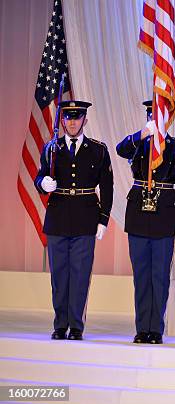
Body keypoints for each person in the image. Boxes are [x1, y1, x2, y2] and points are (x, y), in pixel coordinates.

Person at [34, 100, 113, 340]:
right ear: (63, 121)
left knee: (80, 275)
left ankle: (76, 325)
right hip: (58, 217)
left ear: (84, 121)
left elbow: (107, 187)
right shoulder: (51, 148)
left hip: (85, 218)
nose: (72, 122)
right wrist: (42, 184)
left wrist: (103, 220)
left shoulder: (98, 150)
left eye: (76, 118)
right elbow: (40, 175)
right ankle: (60, 324)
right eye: (68, 118)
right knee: (59, 275)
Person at [116, 100, 175, 345]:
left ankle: (156, 328)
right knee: (141, 275)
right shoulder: (139, 143)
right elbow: (120, 149)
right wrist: (143, 134)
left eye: (158, 114)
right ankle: (141, 328)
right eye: (151, 114)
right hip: (139, 212)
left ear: (167, 118)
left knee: (160, 275)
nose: (154, 118)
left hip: (165, 214)